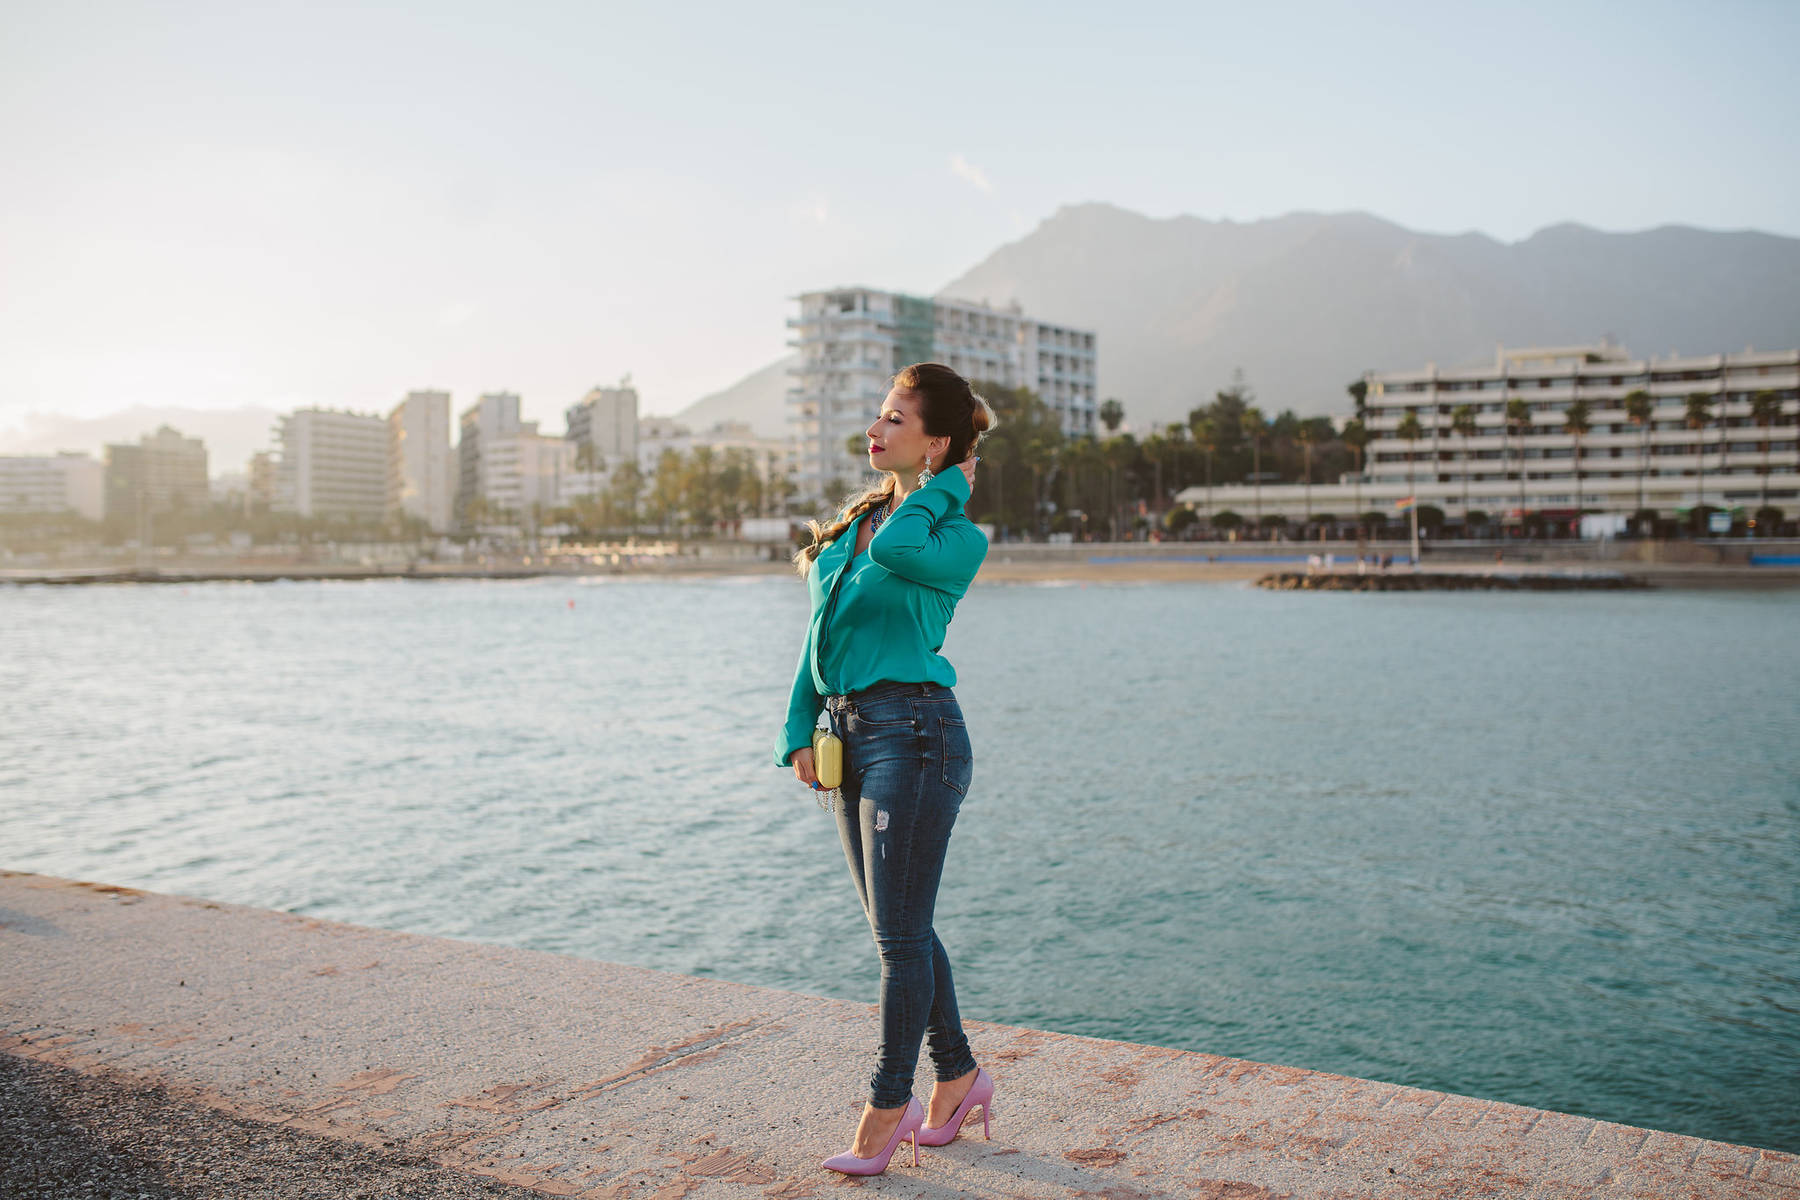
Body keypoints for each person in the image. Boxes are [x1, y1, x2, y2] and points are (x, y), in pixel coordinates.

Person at [774, 362, 998, 1176]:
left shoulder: (952, 536)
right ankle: (962, 1076)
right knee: (900, 926)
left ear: (936, 443)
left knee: (899, 937)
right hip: (852, 736)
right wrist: (800, 727)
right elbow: (818, 636)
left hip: (918, 734)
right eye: (878, 415)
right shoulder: (859, 523)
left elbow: (908, 541)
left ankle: (888, 1106)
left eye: (895, 419)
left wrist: (947, 487)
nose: (875, 429)